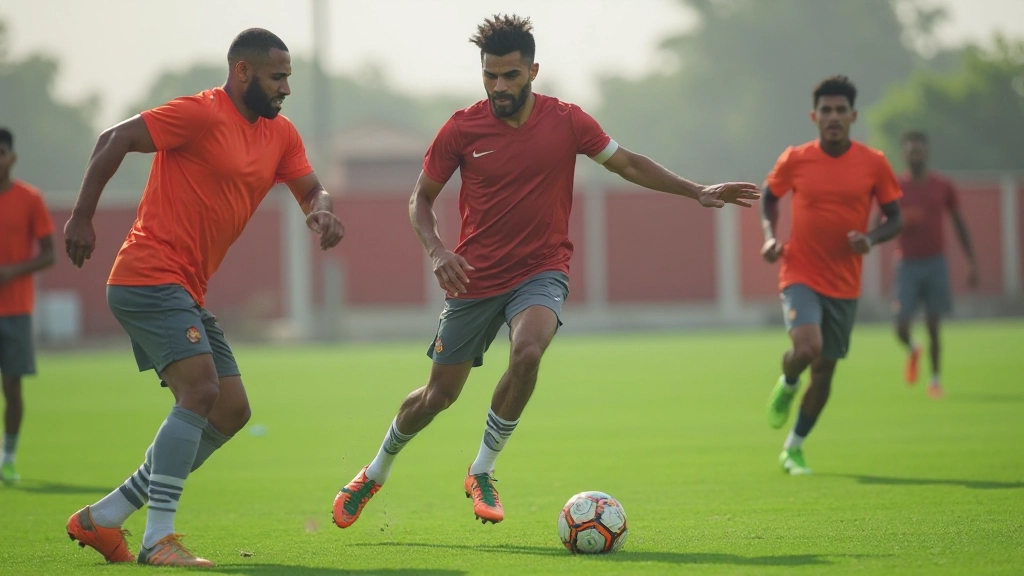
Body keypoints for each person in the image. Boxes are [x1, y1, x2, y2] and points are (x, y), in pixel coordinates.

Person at [332, 14, 759, 529]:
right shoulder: (462, 127)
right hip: (474, 278)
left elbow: (626, 163)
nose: (498, 86)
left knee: (528, 350)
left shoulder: (568, 121)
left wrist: (696, 190)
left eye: (510, 75)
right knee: (437, 397)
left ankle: (483, 470)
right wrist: (438, 251)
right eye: (490, 75)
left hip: (541, 269)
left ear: (533, 71)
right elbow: (420, 199)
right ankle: (374, 473)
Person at [62, 28, 344, 567]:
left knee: (232, 409)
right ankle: (158, 539)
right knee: (199, 391)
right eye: (277, 76)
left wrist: (322, 208)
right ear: (243, 72)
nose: (286, 87)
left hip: (185, 289)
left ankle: (106, 516)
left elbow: (312, 189)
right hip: (148, 275)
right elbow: (112, 139)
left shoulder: (280, 135)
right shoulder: (200, 113)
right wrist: (81, 216)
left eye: (288, 77)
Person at [761, 75, 903, 475]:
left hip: (844, 283)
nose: (834, 117)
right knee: (807, 350)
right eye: (827, 110)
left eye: (841, 110)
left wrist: (871, 239)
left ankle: (794, 447)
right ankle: (788, 382)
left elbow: (896, 218)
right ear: (814, 116)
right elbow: (770, 200)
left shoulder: (874, 163)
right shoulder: (796, 159)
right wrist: (771, 237)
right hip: (800, 272)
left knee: (824, 371)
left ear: (853, 115)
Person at [892, 131, 976, 399]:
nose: (915, 154)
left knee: (933, 325)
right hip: (906, 263)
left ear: (926, 152)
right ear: (904, 154)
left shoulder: (942, 185)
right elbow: (880, 223)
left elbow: (959, 222)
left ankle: (935, 380)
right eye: (910, 150)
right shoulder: (895, 187)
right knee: (901, 325)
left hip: (935, 262)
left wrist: (971, 261)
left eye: (919, 149)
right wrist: (901, 221)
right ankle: (913, 348)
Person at [0, 128, 57, 485]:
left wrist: (12, 271)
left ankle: (8, 457)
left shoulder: (29, 198)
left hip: (16, 310)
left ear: (12, 157)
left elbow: (50, 254)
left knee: (13, 387)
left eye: (1, 152)